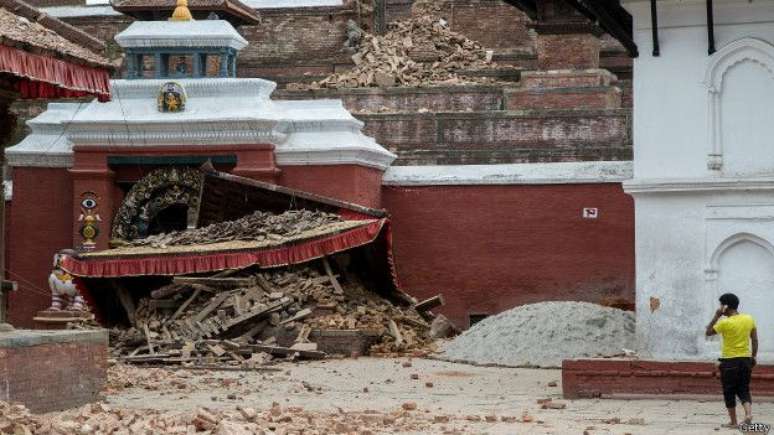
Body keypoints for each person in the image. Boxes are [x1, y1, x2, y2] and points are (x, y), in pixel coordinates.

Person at [705, 293, 758, 428]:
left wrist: (717, 315)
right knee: (744, 389)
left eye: (721, 305)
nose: (720, 307)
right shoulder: (749, 319)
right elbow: (755, 339)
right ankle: (748, 414)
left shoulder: (724, 323)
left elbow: (708, 332)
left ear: (726, 306)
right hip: (746, 360)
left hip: (729, 362)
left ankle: (734, 422)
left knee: (729, 391)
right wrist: (754, 356)